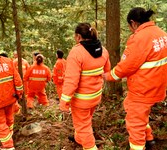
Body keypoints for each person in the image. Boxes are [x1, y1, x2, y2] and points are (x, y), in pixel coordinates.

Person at [103, 7, 167, 150]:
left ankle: (138, 146)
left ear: (133, 23)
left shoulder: (139, 38)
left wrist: (108, 76)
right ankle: (149, 139)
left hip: (143, 89)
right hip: (157, 86)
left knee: (134, 122)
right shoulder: (161, 33)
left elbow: (126, 66)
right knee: (135, 110)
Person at [59, 23, 111, 150]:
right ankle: (79, 139)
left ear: (78, 37)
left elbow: (71, 80)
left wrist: (64, 101)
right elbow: (107, 70)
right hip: (96, 96)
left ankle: (89, 146)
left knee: (83, 126)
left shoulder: (76, 52)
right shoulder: (103, 50)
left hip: (81, 100)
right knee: (86, 121)